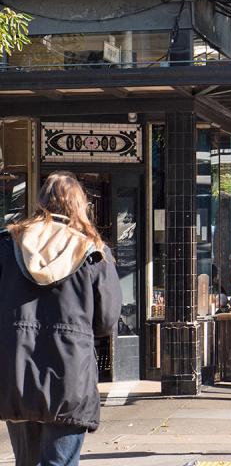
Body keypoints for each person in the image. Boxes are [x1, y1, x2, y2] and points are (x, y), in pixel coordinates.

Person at [0, 171, 122, 466]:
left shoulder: (8, 245)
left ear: (41, 202)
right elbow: (106, 321)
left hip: (18, 372)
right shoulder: (93, 252)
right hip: (71, 375)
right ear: (79, 205)